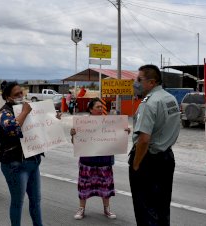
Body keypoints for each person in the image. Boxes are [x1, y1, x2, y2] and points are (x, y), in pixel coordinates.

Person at [129, 64, 180, 226]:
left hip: (148, 160)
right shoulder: (169, 98)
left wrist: (136, 164)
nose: (135, 83)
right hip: (166, 158)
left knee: (146, 210)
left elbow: (144, 139)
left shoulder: (148, 103)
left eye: (139, 79)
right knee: (162, 207)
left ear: (151, 82)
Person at [70, 98, 130, 220]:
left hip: (104, 160)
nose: (100, 109)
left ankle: (107, 209)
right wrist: (73, 135)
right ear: (91, 109)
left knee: (106, 185)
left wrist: (124, 132)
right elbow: (76, 143)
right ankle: (81, 209)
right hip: (87, 161)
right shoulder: (83, 123)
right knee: (84, 185)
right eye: (97, 107)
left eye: (101, 107)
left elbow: (116, 138)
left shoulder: (110, 122)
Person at [0, 81, 43, 226]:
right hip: (15, 164)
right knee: (18, 202)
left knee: (36, 200)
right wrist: (24, 112)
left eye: (21, 92)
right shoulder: (3, 113)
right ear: (7, 97)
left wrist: (52, 119)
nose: (21, 96)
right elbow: (13, 129)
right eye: (17, 94)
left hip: (33, 162)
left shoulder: (26, 109)